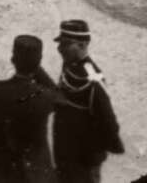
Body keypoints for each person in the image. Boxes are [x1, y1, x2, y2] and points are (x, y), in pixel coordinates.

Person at [0, 35, 58, 183]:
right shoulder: (45, 96)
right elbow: (58, 94)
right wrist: (35, 66)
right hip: (32, 174)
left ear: (13, 60)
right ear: (38, 62)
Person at [52, 20, 124, 182]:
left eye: (66, 44)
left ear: (83, 45)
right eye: (60, 43)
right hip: (65, 155)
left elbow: (108, 120)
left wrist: (96, 152)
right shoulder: (70, 64)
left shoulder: (92, 78)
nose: (60, 49)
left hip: (84, 161)